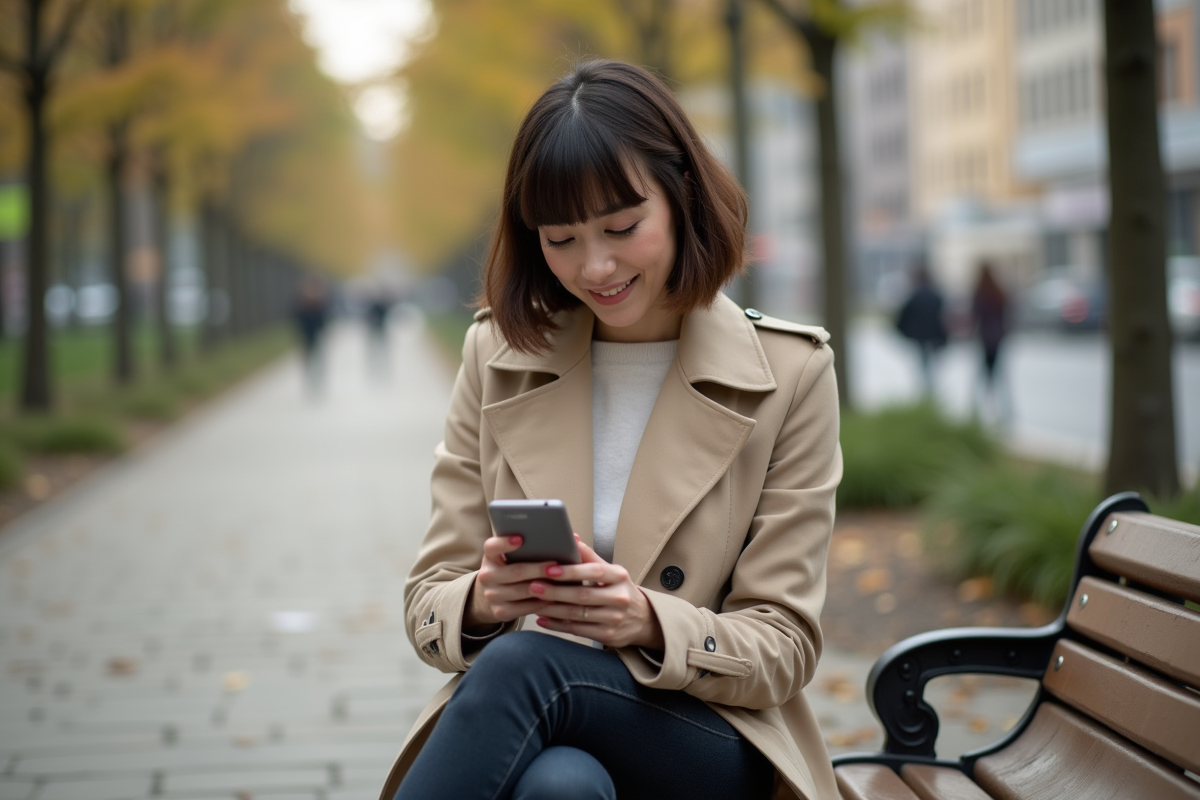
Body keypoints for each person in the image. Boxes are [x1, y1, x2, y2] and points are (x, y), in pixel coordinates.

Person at [381, 59, 841, 800]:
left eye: (622, 227)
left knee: (526, 667)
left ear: (681, 195)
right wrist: (483, 599)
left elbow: (785, 645)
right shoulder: (497, 357)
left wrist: (646, 620)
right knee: (560, 787)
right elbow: (428, 599)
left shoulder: (790, 374)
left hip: (711, 736)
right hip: (541, 724)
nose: (595, 266)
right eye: (560, 240)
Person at [895, 262, 947, 398]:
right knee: (933, 364)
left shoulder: (914, 296)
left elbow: (903, 318)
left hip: (919, 337)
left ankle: (926, 391)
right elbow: (944, 318)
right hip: (935, 336)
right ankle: (930, 390)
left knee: (923, 364)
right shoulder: (937, 296)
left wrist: (903, 332)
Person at [971, 260, 1010, 424]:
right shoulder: (999, 291)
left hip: (985, 338)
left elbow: (975, 316)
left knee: (983, 376)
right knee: (998, 376)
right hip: (998, 338)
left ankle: (976, 412)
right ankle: (1005, 412)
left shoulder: (980, 293)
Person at [293, 276, 329, 394]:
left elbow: (323, 320)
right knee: (307, 358)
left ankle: (318, 379)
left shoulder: (320, 303)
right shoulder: (301, 304)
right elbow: (297, 320)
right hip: (306, 335)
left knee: (318, 358)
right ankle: (309, 379)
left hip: (317, 335)